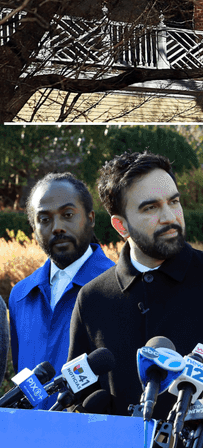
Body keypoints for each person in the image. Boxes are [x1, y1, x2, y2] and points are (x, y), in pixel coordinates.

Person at [68, 151, 203, 448]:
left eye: (174, 201)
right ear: (120, 225)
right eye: (150, 207)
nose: (169, 216)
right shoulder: (91, 299)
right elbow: (80, 398)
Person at [8, 173, 115, 409]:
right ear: (33, 228)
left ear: (90, 218)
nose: (57, 228)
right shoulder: (20, 295)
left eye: (67, 215)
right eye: (44, 219)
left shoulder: (120, 288)